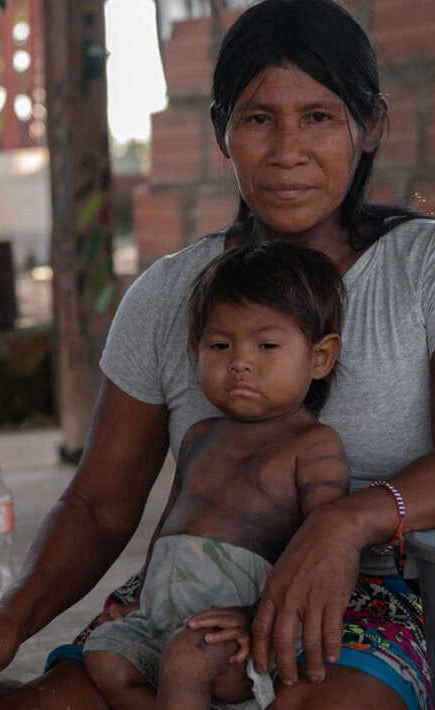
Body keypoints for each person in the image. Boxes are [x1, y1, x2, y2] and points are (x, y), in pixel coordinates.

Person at [0, 1, 435, 708]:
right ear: (222, 130)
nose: (287, 150)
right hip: (189, 599)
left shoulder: (433, 261)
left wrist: (344, 521)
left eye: (318, 117)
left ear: (370, 124)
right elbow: (97, 504)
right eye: (258, 119)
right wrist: (9, 618)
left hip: (369, 599)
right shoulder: (168, 293)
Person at [82, 241, 350, 710]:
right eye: (220, 345)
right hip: (167, 611)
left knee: (187, 660)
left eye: (267, 345)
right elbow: (170, 522)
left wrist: (261, 616)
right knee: (104, 656)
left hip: (242, 622)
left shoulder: (313, 446)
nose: (240, 361)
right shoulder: (199, 436)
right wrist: (145, 598)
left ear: (320, 358)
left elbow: (324, 548)